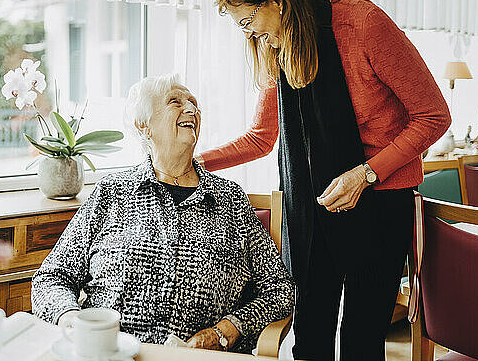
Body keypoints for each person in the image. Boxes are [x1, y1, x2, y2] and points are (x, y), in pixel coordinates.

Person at [197, 0, 452, 360]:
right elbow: (262, 137)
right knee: (310, 340)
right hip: (311, 209)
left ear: (276, 2)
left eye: (248, 20)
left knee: (361, 343)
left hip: (382, 204)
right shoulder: (276, 45)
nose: (248, 33)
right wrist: (193, 163)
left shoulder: (364, 24)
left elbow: (434, 115)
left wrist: (366, 174)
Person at [31, 74, 294, 353]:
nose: (191, 109)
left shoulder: (230, 199)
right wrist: (72, 321)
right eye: (175, 102)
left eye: (193, 103)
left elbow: (279, 289)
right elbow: (51, 277)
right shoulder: (112, 192)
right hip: (113, 353)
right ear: (144, 126)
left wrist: (226, 330)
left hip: (201, 356)